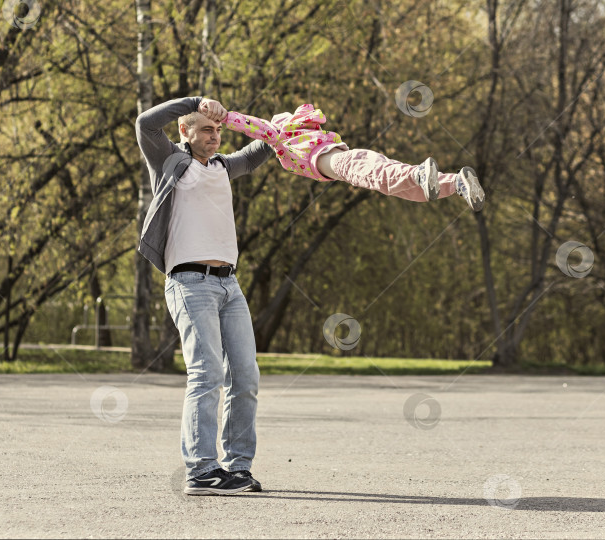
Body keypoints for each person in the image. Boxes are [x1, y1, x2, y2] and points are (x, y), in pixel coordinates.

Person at [136, 96, 273, 495]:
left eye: (219, 130)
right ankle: (201, 469)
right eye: (206, 129)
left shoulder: (225, 166)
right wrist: (195, 102)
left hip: (230, 285)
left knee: (245, 375)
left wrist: (284, 124)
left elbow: (266, 142)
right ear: (185, 130)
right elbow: (145, 122)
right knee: (208, 374)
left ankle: (237, 467)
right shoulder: (169, 162)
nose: (215, 137)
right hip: (190, 284)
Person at [221, 104, 486, 211]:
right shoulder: (308, 135)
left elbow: (254, 126)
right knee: (404, 190)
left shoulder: (282, 136)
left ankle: (418, 172)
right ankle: (457, 182)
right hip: (350, 159)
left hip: (344, 164)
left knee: (381, 177)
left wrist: (225, 118)